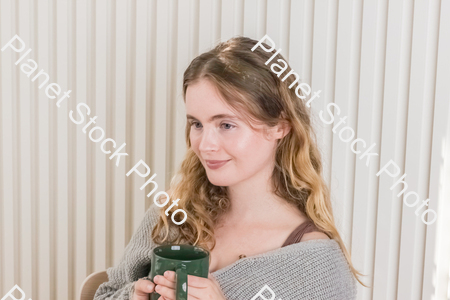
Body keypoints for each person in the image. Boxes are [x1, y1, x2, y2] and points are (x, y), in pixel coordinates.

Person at [94, 36, 363, 300]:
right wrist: (132, 296)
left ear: (280, 126)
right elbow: (104, 294)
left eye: (226, 125)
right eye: (197, 124)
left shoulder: (314, 265)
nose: (204, 145)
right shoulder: (171, 216)